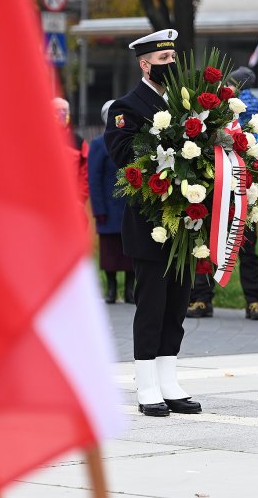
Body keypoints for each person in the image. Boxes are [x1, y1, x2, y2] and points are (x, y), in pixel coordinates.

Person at [104, 28, 201, 417]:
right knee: (152, 304)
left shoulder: (185, 104)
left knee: (177, 303)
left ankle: (169, 380)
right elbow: (125, 157)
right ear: (145, 64)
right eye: (163, 60)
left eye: (173, 59)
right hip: (150, 222)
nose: (171, 65)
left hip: (185, 218)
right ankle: (146, 384)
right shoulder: (125, 107)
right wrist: (164, 140)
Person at [187, 68, 258, 321]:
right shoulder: (211, 105)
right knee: (208, 240)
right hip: (215, 177)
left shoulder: (249, 105)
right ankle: (212, 297)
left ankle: (245, 299)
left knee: (244, 243)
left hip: (241, 179)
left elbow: (255, 142)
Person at [88, 100, 135, 304]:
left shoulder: (132, 140)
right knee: (109, 252)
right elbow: (94, 178)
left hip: (129, 206)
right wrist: (99, 209)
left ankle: (130, 291)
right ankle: (111, 288)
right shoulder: (98, 144)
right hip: (108, 206)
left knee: (131, 250)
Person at [54, 97, 90, 204]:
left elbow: (86, 172)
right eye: (57, 111)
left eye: (64, 111)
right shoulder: (40, 140)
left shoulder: (78, 142)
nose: (62, 114)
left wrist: (80, 198)